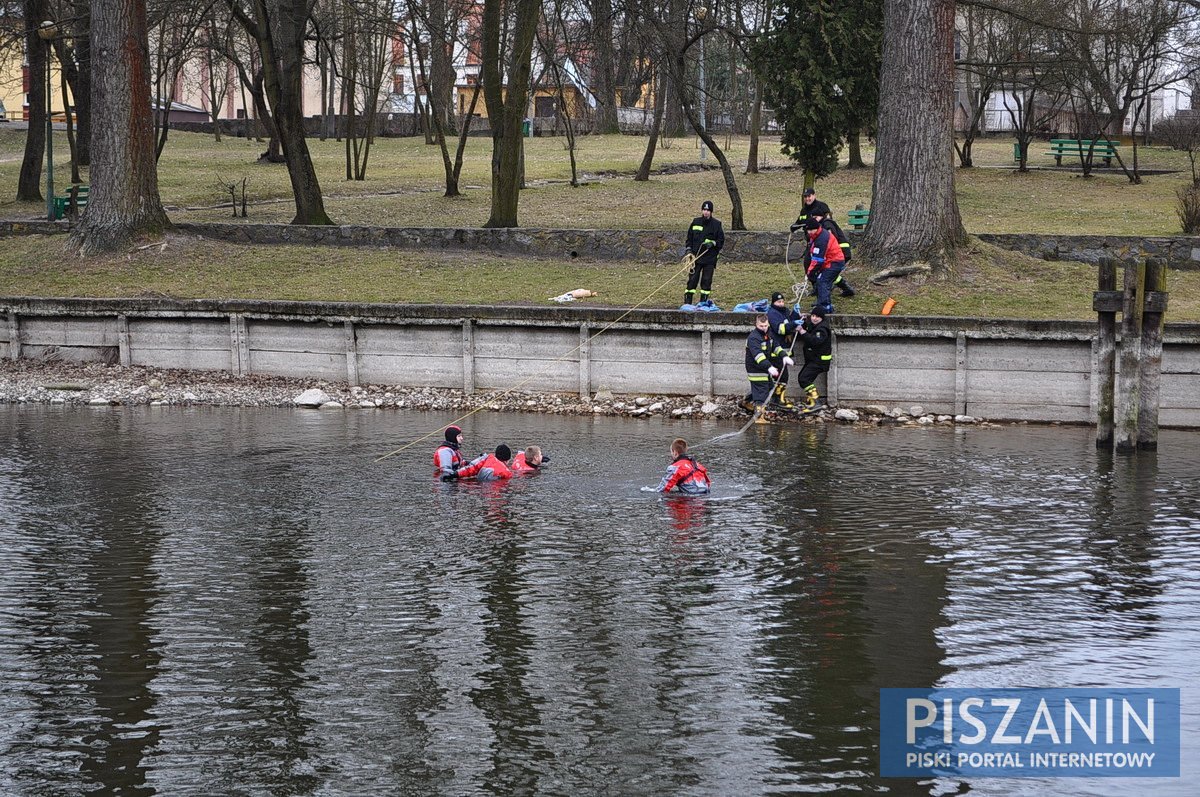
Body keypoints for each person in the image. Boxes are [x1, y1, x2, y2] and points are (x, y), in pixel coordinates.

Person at [683, 200, 725, 306]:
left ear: (711, 212)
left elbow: (721, 241)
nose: (706, 212)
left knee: (706, 281)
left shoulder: (716, 224)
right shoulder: (695, 222)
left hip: (709, 259)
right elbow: (689, 238)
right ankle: (688, 302)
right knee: (692, 280)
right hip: (695, 258)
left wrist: (713, 243)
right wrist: (688, 249)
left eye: (708, 210)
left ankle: (703, 303)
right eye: (704, 210)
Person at [743, 313, 787, 411]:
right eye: (761, 326)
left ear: (768, 324)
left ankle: (746, 402)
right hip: (755, 368)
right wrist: (769, 367)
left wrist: (784, 356)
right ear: (756, 325)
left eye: (765, 326)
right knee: (762, 391)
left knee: (769, 387)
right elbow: (758, 355)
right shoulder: (753, 337)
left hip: (764, 367)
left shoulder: (769, 334)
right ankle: (759, 416)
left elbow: (775, 346)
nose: (763, 328)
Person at [804, 216, 847, 316]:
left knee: (823, 281)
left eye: (811, 230)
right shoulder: (817, 236)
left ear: (816, 228)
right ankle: (824, 304)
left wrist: (810, 272)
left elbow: (817, 260)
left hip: (834, 262)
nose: (810, 232)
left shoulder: (821, 239)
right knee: (823, 281)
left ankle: (824, 306)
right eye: (808, 230)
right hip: (830, 262)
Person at [766, 292, 802, 408]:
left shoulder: (785, 311)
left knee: (782, 375)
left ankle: (777, 399)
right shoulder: (772, 314)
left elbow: (789, 321)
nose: (781, 304)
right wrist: (794, 324)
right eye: (778, 302)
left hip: (785, 348)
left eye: (782, 301)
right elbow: (780, 329)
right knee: (782, 375)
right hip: (777, 350)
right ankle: (777, 400)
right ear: (773, 302)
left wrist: (796, 314)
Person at [810, 208, 856, 299]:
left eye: (816, 217)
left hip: (840, 252)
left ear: (821, 216)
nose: (815, 220)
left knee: (827, 274)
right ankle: (846, 289)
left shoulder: (827, 224)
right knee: (832, 274)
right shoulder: (823, 224)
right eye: (813, 218)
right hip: (839, 252)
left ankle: (825, 295)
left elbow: (830, 239)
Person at [795, 305, 833, 410]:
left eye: (817, 317)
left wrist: (802, 331)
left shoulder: (822, 329)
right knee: (803, 378)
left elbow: (814, 341)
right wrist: (803, 320)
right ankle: (812, 400)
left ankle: (816, 401)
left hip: (819, 361)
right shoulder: (815, 325)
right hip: (813, 360)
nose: (814, 318)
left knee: (804, 379)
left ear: (822, 318)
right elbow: (810, 327)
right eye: (813, 316)